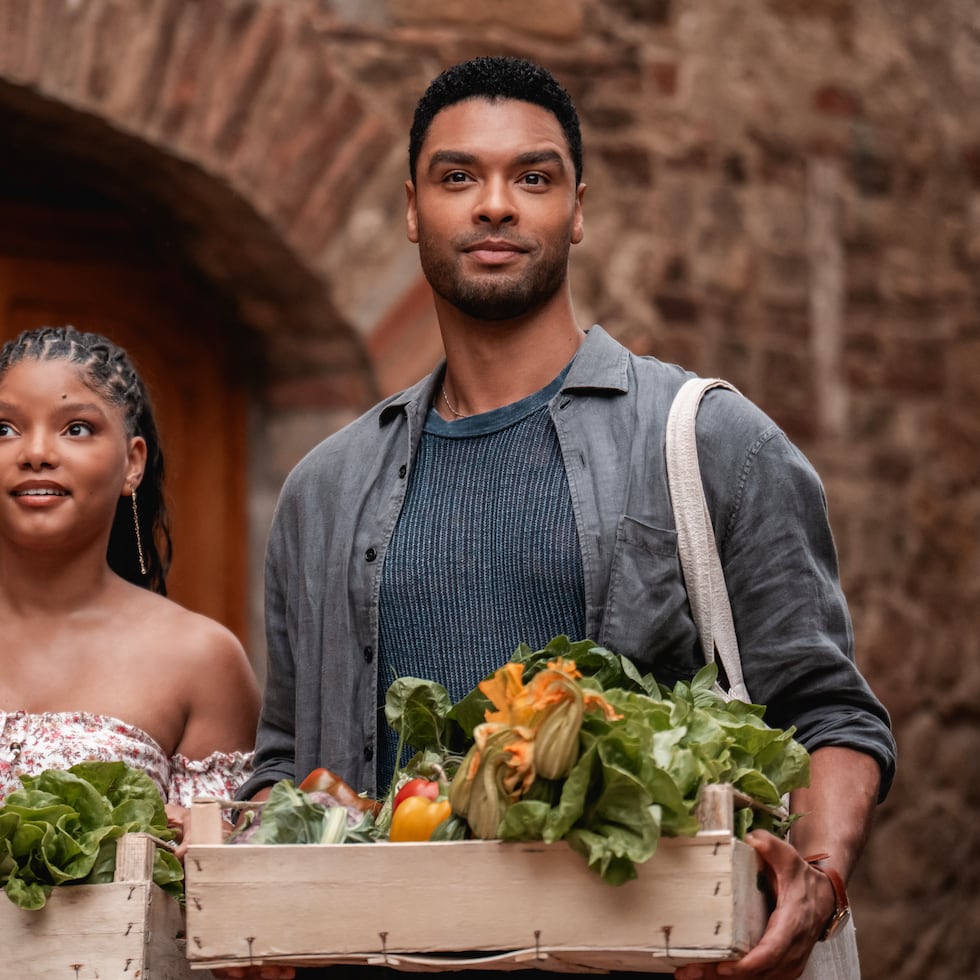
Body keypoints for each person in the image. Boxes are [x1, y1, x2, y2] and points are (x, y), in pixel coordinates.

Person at [238, 57, 896, 980]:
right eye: (458, 177)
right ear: (413, 209)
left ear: (577, 210)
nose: (495, 206)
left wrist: (817, 879)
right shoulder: (323, 491)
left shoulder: (709, 440)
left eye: (533, 178)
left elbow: (829, 713)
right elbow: (284, 765)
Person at [0, 325, 260, 841]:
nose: (35, 452)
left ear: (132, 464)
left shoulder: (200, 659)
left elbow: (221, 878)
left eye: (76, 428)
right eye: (4, 429)